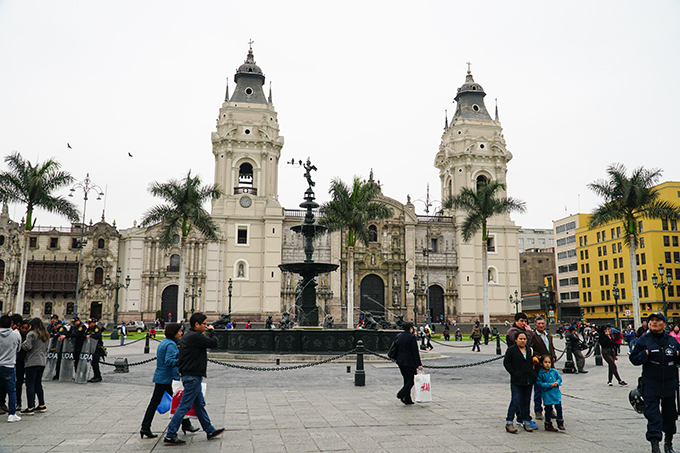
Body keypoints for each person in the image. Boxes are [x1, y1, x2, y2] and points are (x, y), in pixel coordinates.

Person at [163, 313, 224, 446]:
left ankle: (210, 430)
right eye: (204, 324)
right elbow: (214, 343)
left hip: (189, 375)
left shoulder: (187, 337)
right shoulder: (196, 337)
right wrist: (212, 331)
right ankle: (170, 435)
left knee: (199, 405)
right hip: (193, 377)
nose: (205, 326)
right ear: (196, 324)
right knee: (184, 406)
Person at [630, 312, 680, 453]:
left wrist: (677, 355)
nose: (654, 323)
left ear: (664, 324)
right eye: (652, 320)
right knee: (653, 416)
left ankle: (668, 445)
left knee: (670, 415)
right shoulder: (644, 340)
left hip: (670, 384)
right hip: (651, 384)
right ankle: (655, 446)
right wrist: (644, 355)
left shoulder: (671, 340)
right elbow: (634, 359)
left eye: (658, 321)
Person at [140, 323, 197, 439]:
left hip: (161, 377)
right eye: (180, 331)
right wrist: (182, 361)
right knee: (181, 402)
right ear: (174, 332)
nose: (181, 333)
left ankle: (145, 427)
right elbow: (169, 361)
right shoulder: (171, 345)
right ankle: (186, 424)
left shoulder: (165, 342)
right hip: (168, 379)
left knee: (154, 403)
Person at [503, 332, 536, 433]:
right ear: (516, 340)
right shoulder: (512, 350)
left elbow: (532, 362)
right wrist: (514, 373)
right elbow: (506, 363)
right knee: (516, 400)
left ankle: (526, 421)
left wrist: (533, 373)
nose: (523, 341)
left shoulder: (529, 350)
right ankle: (509, 422)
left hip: (528, 380)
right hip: (517, 380)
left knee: (526, 401)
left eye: (524, 339)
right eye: (520, 339)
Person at [20, 318, 49, 415]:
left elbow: (28, 347)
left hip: (32, 361)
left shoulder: (31, 334)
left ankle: (30, 407)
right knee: (38, 383)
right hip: (42, 361)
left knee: (30, 384)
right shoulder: (45, 334)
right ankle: (41, 404)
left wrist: (22, 343)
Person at [531, 316, 556, 420]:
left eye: (542, 323)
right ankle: (538, 410)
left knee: (550, 389)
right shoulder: (533, 336)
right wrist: (537, 357)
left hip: (549, 366)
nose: (541, 325)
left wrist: (553, 356)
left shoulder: (548, 336)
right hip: (539, 366)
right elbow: (531, 349)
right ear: (535, 325)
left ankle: (549, 410)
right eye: (539, 324)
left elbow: (551, 347)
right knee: (538, 389)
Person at [0, 315, 22, 422]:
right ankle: (12, 414)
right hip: (9, 365)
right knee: (11, 390)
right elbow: (19, 348)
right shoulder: (15, 335)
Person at [395, 322, 423, 405]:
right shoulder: (411, 337)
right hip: (409, 362)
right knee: (412, 380)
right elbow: (415, 352)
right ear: (410, 328)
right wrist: (419, 364)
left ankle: (407, 398)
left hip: (400, 361)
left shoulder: (399, 336)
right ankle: (401, 393)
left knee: (406, 379)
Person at [535, 355, 564, 432]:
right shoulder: (541, 373)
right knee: (548, 409)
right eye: (545, 362)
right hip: (547, 394)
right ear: (541, 363)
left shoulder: (554, 371)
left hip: (555, 393)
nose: (547, 364)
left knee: (558, 407)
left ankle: (560, 421)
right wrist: (549, 385)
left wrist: (557, 383)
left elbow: (559, 378)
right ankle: (548, 423)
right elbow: (539, 383)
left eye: (549, 362)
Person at [85, 318, 103, 383]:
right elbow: (84, 334)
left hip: (96, 348)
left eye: (90, 323)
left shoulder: (96, 328)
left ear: (94, 323)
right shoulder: (89, 329)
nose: (89, 324)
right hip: (90, 348)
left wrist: (90, 336)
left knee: (95, 363)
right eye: (88, 323)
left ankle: (98, 376)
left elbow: (97, 336)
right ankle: (96, 376)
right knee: (93, 363)